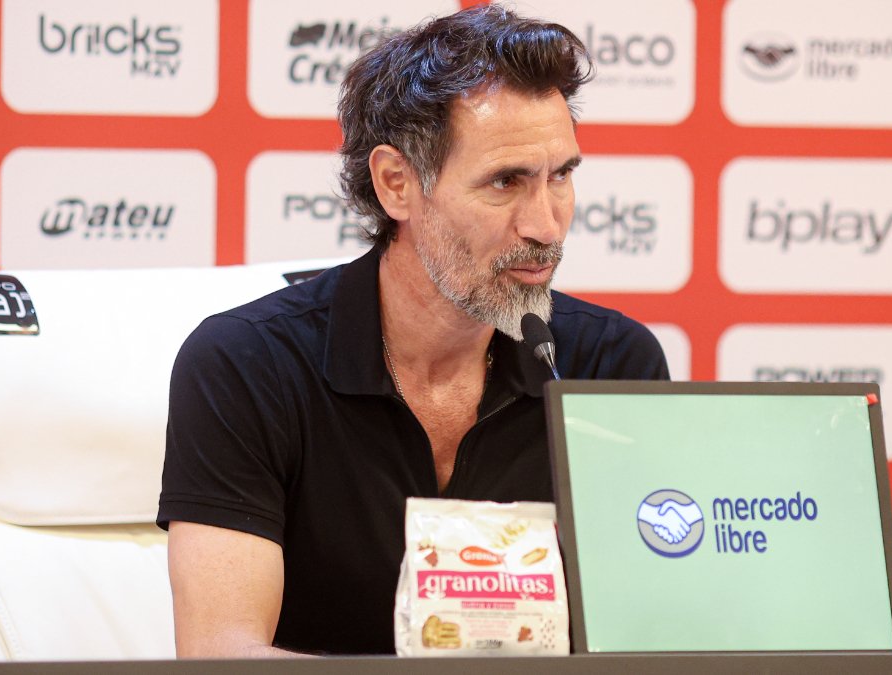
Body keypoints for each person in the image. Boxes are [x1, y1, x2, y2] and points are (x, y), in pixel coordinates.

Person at [158, 5, 668, 657]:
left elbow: (649, 639)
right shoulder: (247, 364)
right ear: (397, 184)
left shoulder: (612, 362)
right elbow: (221, 651)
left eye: (561, 175)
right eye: (506, 181)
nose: (546, 224)